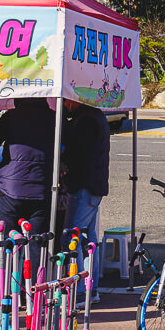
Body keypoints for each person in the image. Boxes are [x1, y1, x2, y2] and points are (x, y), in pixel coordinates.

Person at [0, 97, 59, 262]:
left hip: (10, 189)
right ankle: (34, 287)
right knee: (37, 246)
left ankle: (3, 287)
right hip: (42, 188)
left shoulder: (11, 116)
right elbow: (66, 148)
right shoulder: (54, 118)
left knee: (7, 245)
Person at [63, 97, 110, 297]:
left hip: (84, 185)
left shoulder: (86, 121)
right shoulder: (95, 116)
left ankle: (81, 291)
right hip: (94, 185)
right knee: (89, 241)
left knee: (72, 238)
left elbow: (76, 153)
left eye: (66, 101)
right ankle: (91, 288)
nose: (64, 104)